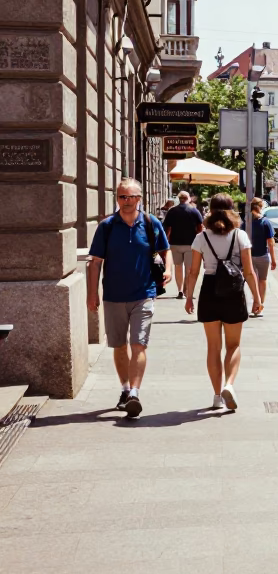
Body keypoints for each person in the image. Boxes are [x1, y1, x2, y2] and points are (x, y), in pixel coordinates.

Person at [86, 178, 171, 419]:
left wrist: (169, 269)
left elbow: (166, 250)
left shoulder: (150, 222)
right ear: (117, 199)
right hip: (113, 295)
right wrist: (93, 294)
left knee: (139, 344)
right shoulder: (107, 226)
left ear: (139, 198)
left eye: (131, 197)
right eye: (122, 197)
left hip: (143, 294)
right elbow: (95, 263)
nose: (126, 201)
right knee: (119, 346)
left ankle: (134, 393)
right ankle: (124, 389)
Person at [183, 193, 262, 411]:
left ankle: (217, 396)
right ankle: (229, 384)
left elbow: (193, 271)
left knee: (213, 347)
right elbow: (248, 271)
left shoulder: (201, 237)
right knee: (234, 345)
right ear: (232, 210)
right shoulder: (240, 235)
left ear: (209, 210)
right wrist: (257, 297)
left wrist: (189, 296)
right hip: (234, 292)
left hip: (209, 291)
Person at [162, 190, 204, 299]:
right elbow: (200, 227)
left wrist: (166, 241)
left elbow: (167, 228)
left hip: (175, 244)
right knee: (189, 268)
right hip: (191, 244)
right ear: (188, 198)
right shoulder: (194, 211)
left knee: (178, 267)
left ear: (179, 199)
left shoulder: (172, 211)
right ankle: (187, 290)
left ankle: (180, 291)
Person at [247, 197, 276, 316]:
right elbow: (270, 242)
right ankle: (259, 304)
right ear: (260, 207)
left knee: (253, 280)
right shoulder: (265, 222)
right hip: (262, 255)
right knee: (262, 280)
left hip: (248, 256)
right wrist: (274, 260)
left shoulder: (246, 221)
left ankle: (256, 302)